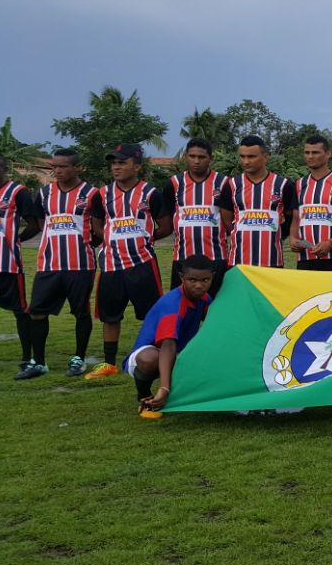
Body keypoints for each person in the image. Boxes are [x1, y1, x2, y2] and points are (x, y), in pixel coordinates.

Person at [86, 144, 172, 379]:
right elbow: (96, 223)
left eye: (122, 162)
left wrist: (145, 240)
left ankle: (154, 359)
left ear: (136, 166)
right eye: (114, 163)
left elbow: (165, 226)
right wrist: (110, 242)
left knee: (152, 314)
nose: (116, 167)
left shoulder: (150, 193)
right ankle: (109, 364)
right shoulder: (101, 194)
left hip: (142, 264)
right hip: (112, 266)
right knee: (110, 315)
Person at [25, 148, 95, 377]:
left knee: (81, 312)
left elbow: (100, 229)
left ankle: (78, 359)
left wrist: (84, 243)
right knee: (36, 312)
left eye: (63, 166)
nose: (57, 170)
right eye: (54, 166)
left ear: (77, 167)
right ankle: (39, 362)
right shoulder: (44, 193)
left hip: (81, 265)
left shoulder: (92, 194)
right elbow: (39, 223)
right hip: (49, 264)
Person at [124, 254, 216, 419]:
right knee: (150, 358)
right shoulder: (173, 304)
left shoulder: (205, 299)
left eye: (205, 280)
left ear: (212, 278)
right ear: (182, 277)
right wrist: (164, 388)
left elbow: (216, 327)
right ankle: (145, 397)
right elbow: (168, 346)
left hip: (177, 353)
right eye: (192, 280)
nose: (198, 285)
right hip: (151, 354)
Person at [0, 155, 44, 378]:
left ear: (4, 169)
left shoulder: (17, 192)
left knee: (21, 312)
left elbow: (34, 224)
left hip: (8, 265)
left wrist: (15, 240)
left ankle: (27, 358)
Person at [217, 136, 296, 268]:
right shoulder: (231, 185)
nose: (246, 161)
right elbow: (227, 219)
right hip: (239, 262)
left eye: (251, 157)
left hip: (272, 261)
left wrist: (276, 235)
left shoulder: (283, 185)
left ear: (265, 157)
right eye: (242, 156)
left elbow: (291, 217)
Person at [164, 138, 229, 299]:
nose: (196, 161)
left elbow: (230, 217)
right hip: (183, 258)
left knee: (215, 309)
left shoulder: (224, 183)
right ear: (185, 156)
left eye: (201, 157)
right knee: (182, 310)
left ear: (211, 158)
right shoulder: (174, 183)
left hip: (216, 257)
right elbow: (167, 217)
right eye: (192, 156)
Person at [289, 134, 332, 270]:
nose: (310, 156)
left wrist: (331, 242)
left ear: (328, 154)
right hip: (305, 257)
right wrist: (293, 238)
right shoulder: (299, 184)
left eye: (315, 152)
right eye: (307, 152)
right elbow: (296, 219)